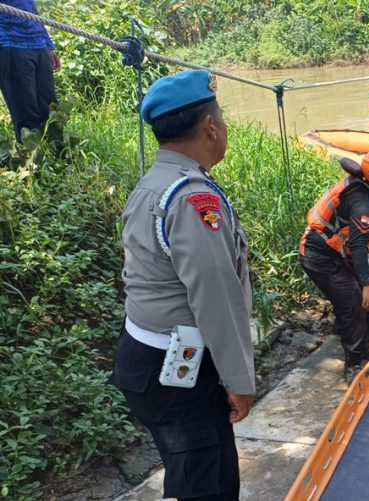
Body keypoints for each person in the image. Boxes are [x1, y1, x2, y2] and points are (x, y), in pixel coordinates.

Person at [109, 70, 254, 501]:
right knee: (203, 486)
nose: (223, 127)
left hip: (152, 358)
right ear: (210, 126)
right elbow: (216, 298)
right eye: (221, 118)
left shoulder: (154, 185)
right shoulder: (193, 199)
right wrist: (238, 379)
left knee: (208, 474)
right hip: (176, 372)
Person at [299, 149, 369, 383]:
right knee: (354, 301)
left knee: (353, 298)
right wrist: (366, 285)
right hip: (319, 256)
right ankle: (353, 364)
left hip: (335, 252)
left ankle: (361, 345)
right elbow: (357, 245)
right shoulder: (362, 202)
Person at [0, 0, 60, 142]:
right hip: (10, 43)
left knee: (51, 110)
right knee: (26, 114)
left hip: (39, 43)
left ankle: (60, 159)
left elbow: (30, 9)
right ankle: (32, 161)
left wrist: (49, 44)